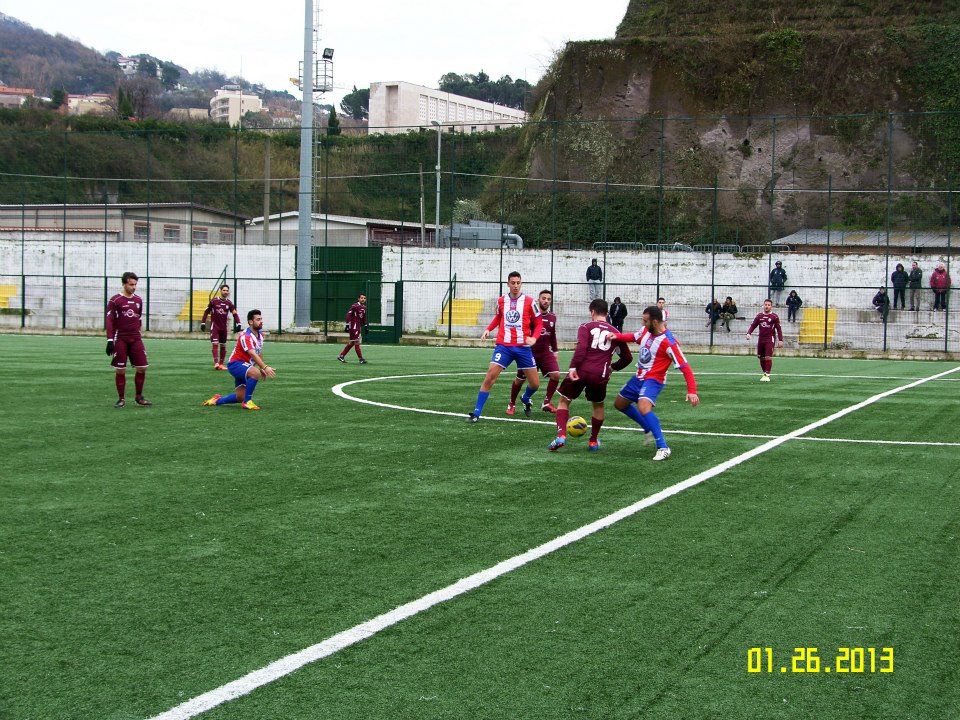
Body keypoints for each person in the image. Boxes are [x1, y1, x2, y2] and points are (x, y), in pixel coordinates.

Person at [610, 306, 699, 461]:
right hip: (639, 377)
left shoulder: (669, 342)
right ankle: (647, 428)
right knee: (619, 404)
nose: (643, 324)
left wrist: (692, 391)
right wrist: (615, 336)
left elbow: (686, 368)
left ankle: (663, 447)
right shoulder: (646, 331)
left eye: (645, 321)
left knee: (643, 406)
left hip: (654, 379)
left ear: (655, 322)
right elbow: (633, 337)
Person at [549, 299, 632, 452]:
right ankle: (593, 441)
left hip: (581, 371)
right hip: (600, 375)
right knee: (598, 406)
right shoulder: (616, 333)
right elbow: (627, 358)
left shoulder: (585, 327)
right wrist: (612, 368)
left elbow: (581, 348)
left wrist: (573, 366)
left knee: (564, 401)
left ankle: (561, 435)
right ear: (607, 314)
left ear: (592, 312)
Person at [467, 271, 542, 422]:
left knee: (535, 384)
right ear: (508, 284)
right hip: (504, 346)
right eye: (513, 283)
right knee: (489, 377)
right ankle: (476, 413)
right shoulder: (501, 301)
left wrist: (534, 338)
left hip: (523, 347)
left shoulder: (530, 302)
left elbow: (539, 322)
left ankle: (525, 398)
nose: (515, 286)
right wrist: (488, 329)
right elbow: (498, 317)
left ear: (521, 284)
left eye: (518, 283)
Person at [203, 309, 276, 411]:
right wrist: (265, 367)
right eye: (258, 319)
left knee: (240, 397)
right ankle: (247, 402)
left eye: (261, 319)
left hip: (244, 365)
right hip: (235, 364)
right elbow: (252, 353)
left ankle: (216, 400)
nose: (261, 321)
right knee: (255, 373)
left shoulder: (259, 335)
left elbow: (258, 352)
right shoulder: (246, 336)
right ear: (251, 322)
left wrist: (261, 367)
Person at [509, 289, 562, 415]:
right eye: (543, 298)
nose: (546, 301)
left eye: (548, 299)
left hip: (545, 353)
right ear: (538, 300)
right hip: (529, 352)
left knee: (556, 375)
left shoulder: (552, 317)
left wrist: (555, 350)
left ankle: (546, 402)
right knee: (520, 380)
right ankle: (512, 403)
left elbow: (552, 335)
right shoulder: (530, 316)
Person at [105, 271, 151, 408]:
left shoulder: (138, 300)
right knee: (120, 370)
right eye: (131, 284)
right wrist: (109, 340)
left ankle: (139, 397)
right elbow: (109, 321)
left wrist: (139, 331)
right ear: (124, 283)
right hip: (121, 338)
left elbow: (139, 318)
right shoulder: (115, 300)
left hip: (136, 338)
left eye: (135, 284)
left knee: (142, 367)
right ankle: (121, 399)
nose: (134, 287)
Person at [200, 284, 242, 370]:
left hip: (223, 328)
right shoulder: (214, 301)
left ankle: (221, 364)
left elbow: (234, 313)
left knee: (223, 345)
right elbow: (206, 312)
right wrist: (203, 323)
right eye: (224, 290)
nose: (226, 292)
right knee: (215, 344)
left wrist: (239, 323)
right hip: (215, 327)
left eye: (227, 290)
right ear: (220, 291)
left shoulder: (229, 303)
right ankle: (216, 363)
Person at [746, 299, 784, 382]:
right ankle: (764, 373)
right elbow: (753, 325)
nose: (767, 306)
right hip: (761, 339)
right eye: (765, 305)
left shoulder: (774, 317)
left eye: (768, 305)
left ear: (771, 306)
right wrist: (749, 333)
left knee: (768, 356)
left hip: (770, 339)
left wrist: (780, 340)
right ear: (763, 305)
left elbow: (779, 329)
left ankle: (767, 374)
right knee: (760, 357)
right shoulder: (759, 316)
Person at [337, 293, 368, 364]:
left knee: (352, 342)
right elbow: (348, 315)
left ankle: (341, 356)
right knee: (356, 341)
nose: (363, 299)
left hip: (358, 326)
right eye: (361, 298)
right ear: (358, 299)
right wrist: (347, 325)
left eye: (364, 298)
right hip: (353, 326)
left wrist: (365, 326)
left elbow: (363, 318)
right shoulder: (355, 306)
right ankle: (361, 359)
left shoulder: (364, 307)